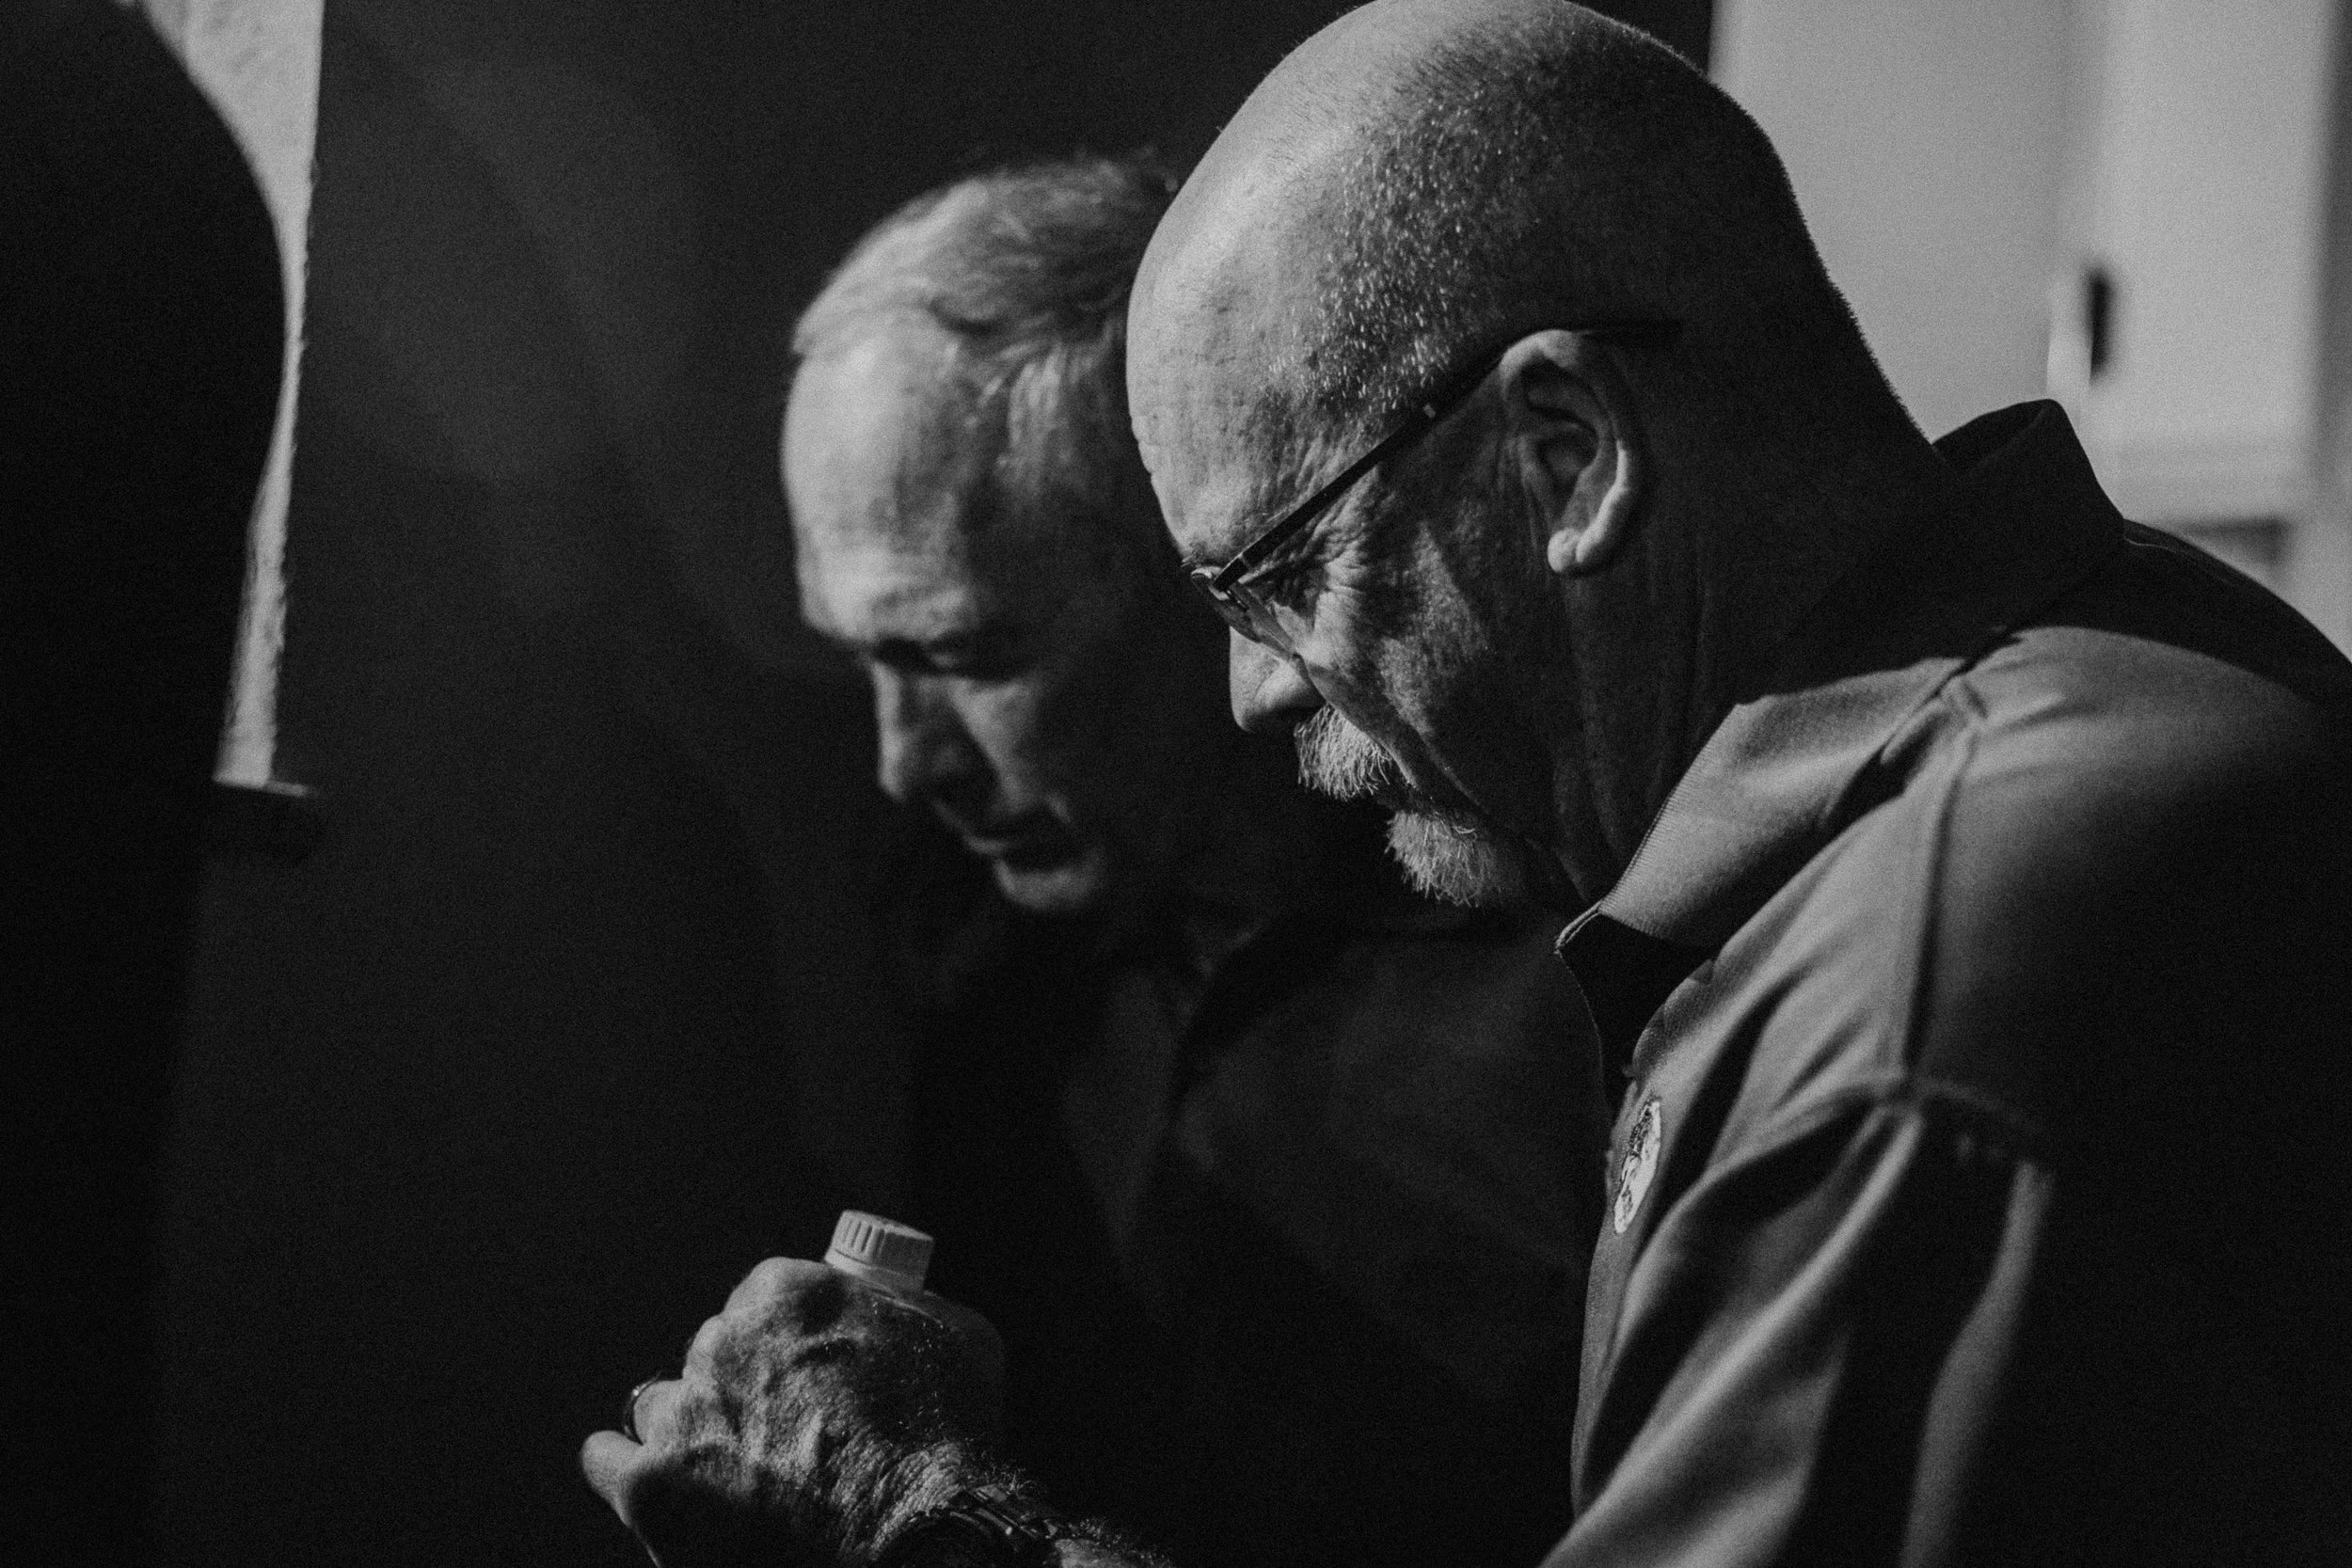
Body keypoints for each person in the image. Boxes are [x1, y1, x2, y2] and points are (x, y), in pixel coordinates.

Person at [584, 7, 2352, 1565]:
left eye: (1279, 576)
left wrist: (919, 1528)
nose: (1252, 693)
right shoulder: (2108, 689)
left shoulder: (1923, 984)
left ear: (1567, 455)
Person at [586, 154, 1609, 1568]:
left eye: (968, 653)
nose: (905, 763)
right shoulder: (993, 964)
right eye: (866, 656)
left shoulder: (1588, 979)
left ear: (1212, 567)